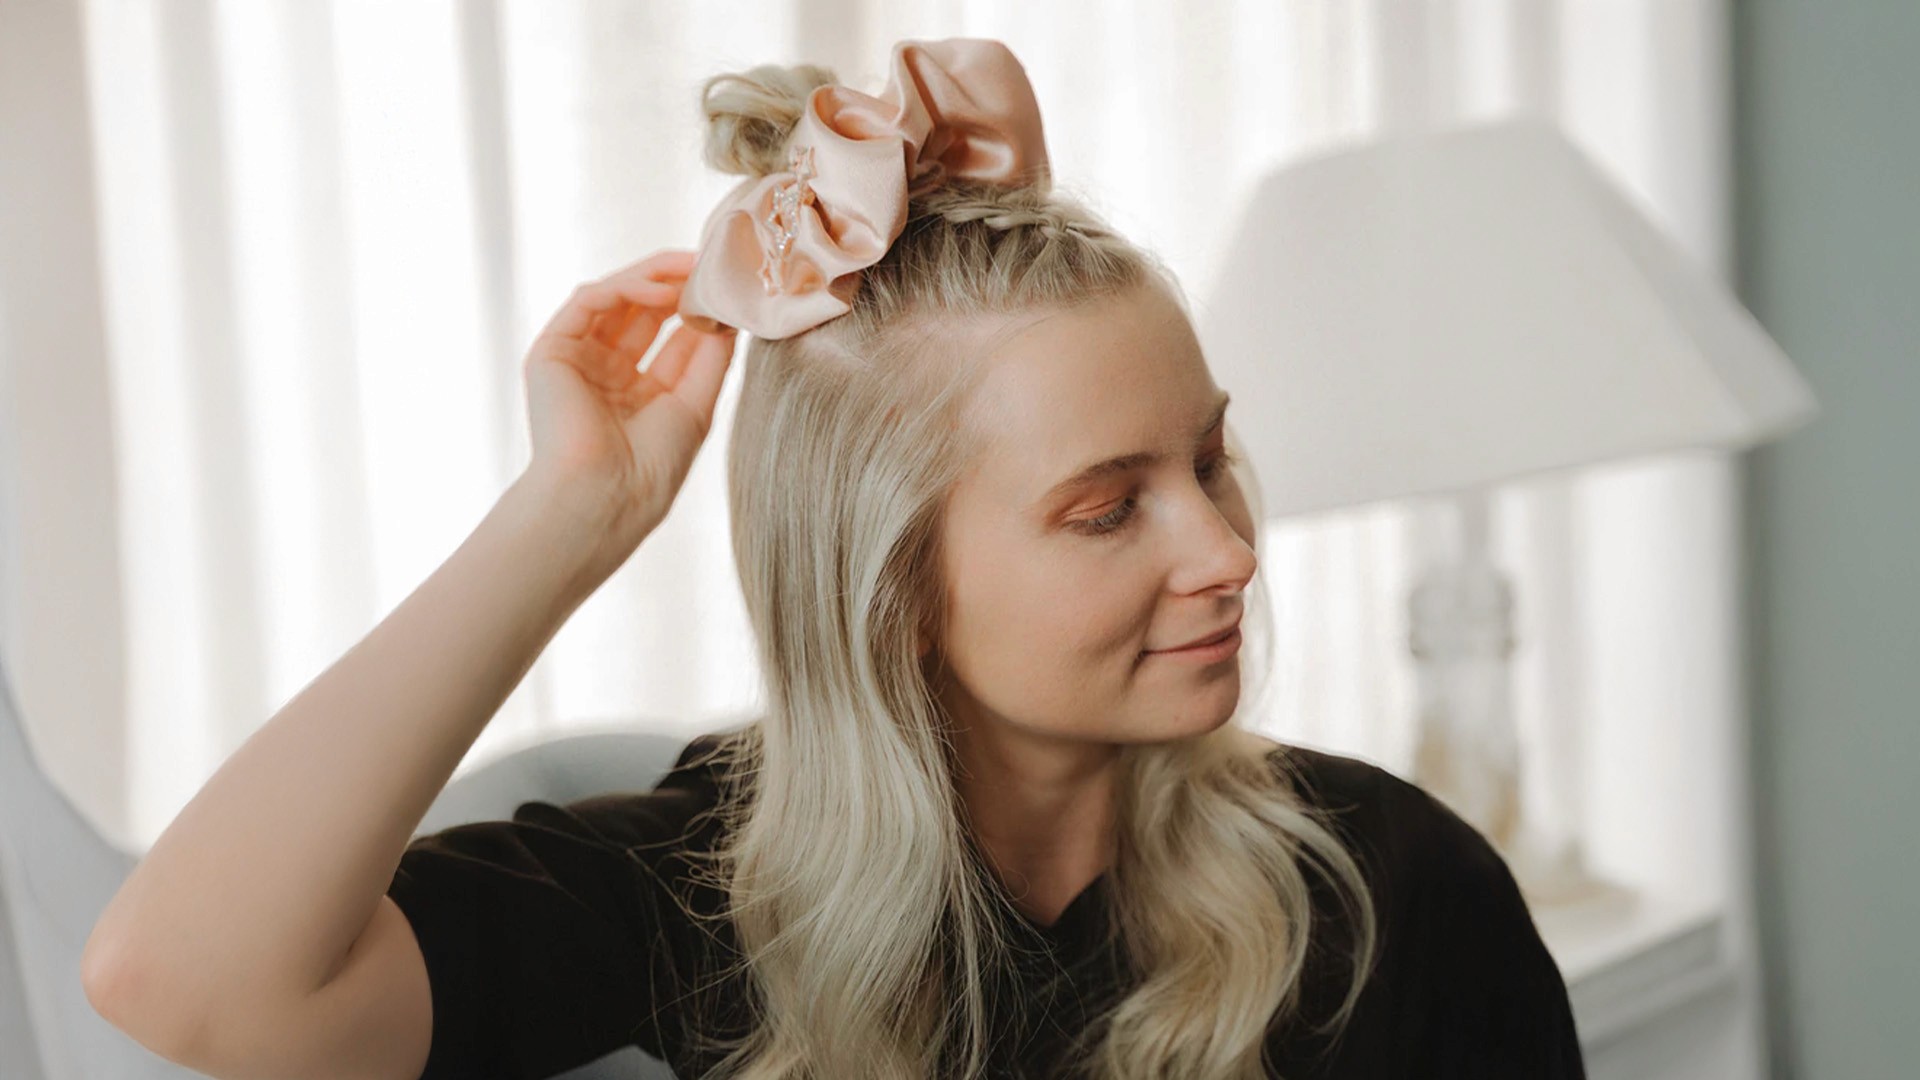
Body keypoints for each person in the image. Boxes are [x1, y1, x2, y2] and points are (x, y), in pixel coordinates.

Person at [80, 37, 1586, 1080]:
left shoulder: (1394, 892)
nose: (1229, 549)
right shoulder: (709, 896)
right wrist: (573, 517)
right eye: (1109, 505)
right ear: (892, 592)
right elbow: (184, 983)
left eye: (1206, 461)